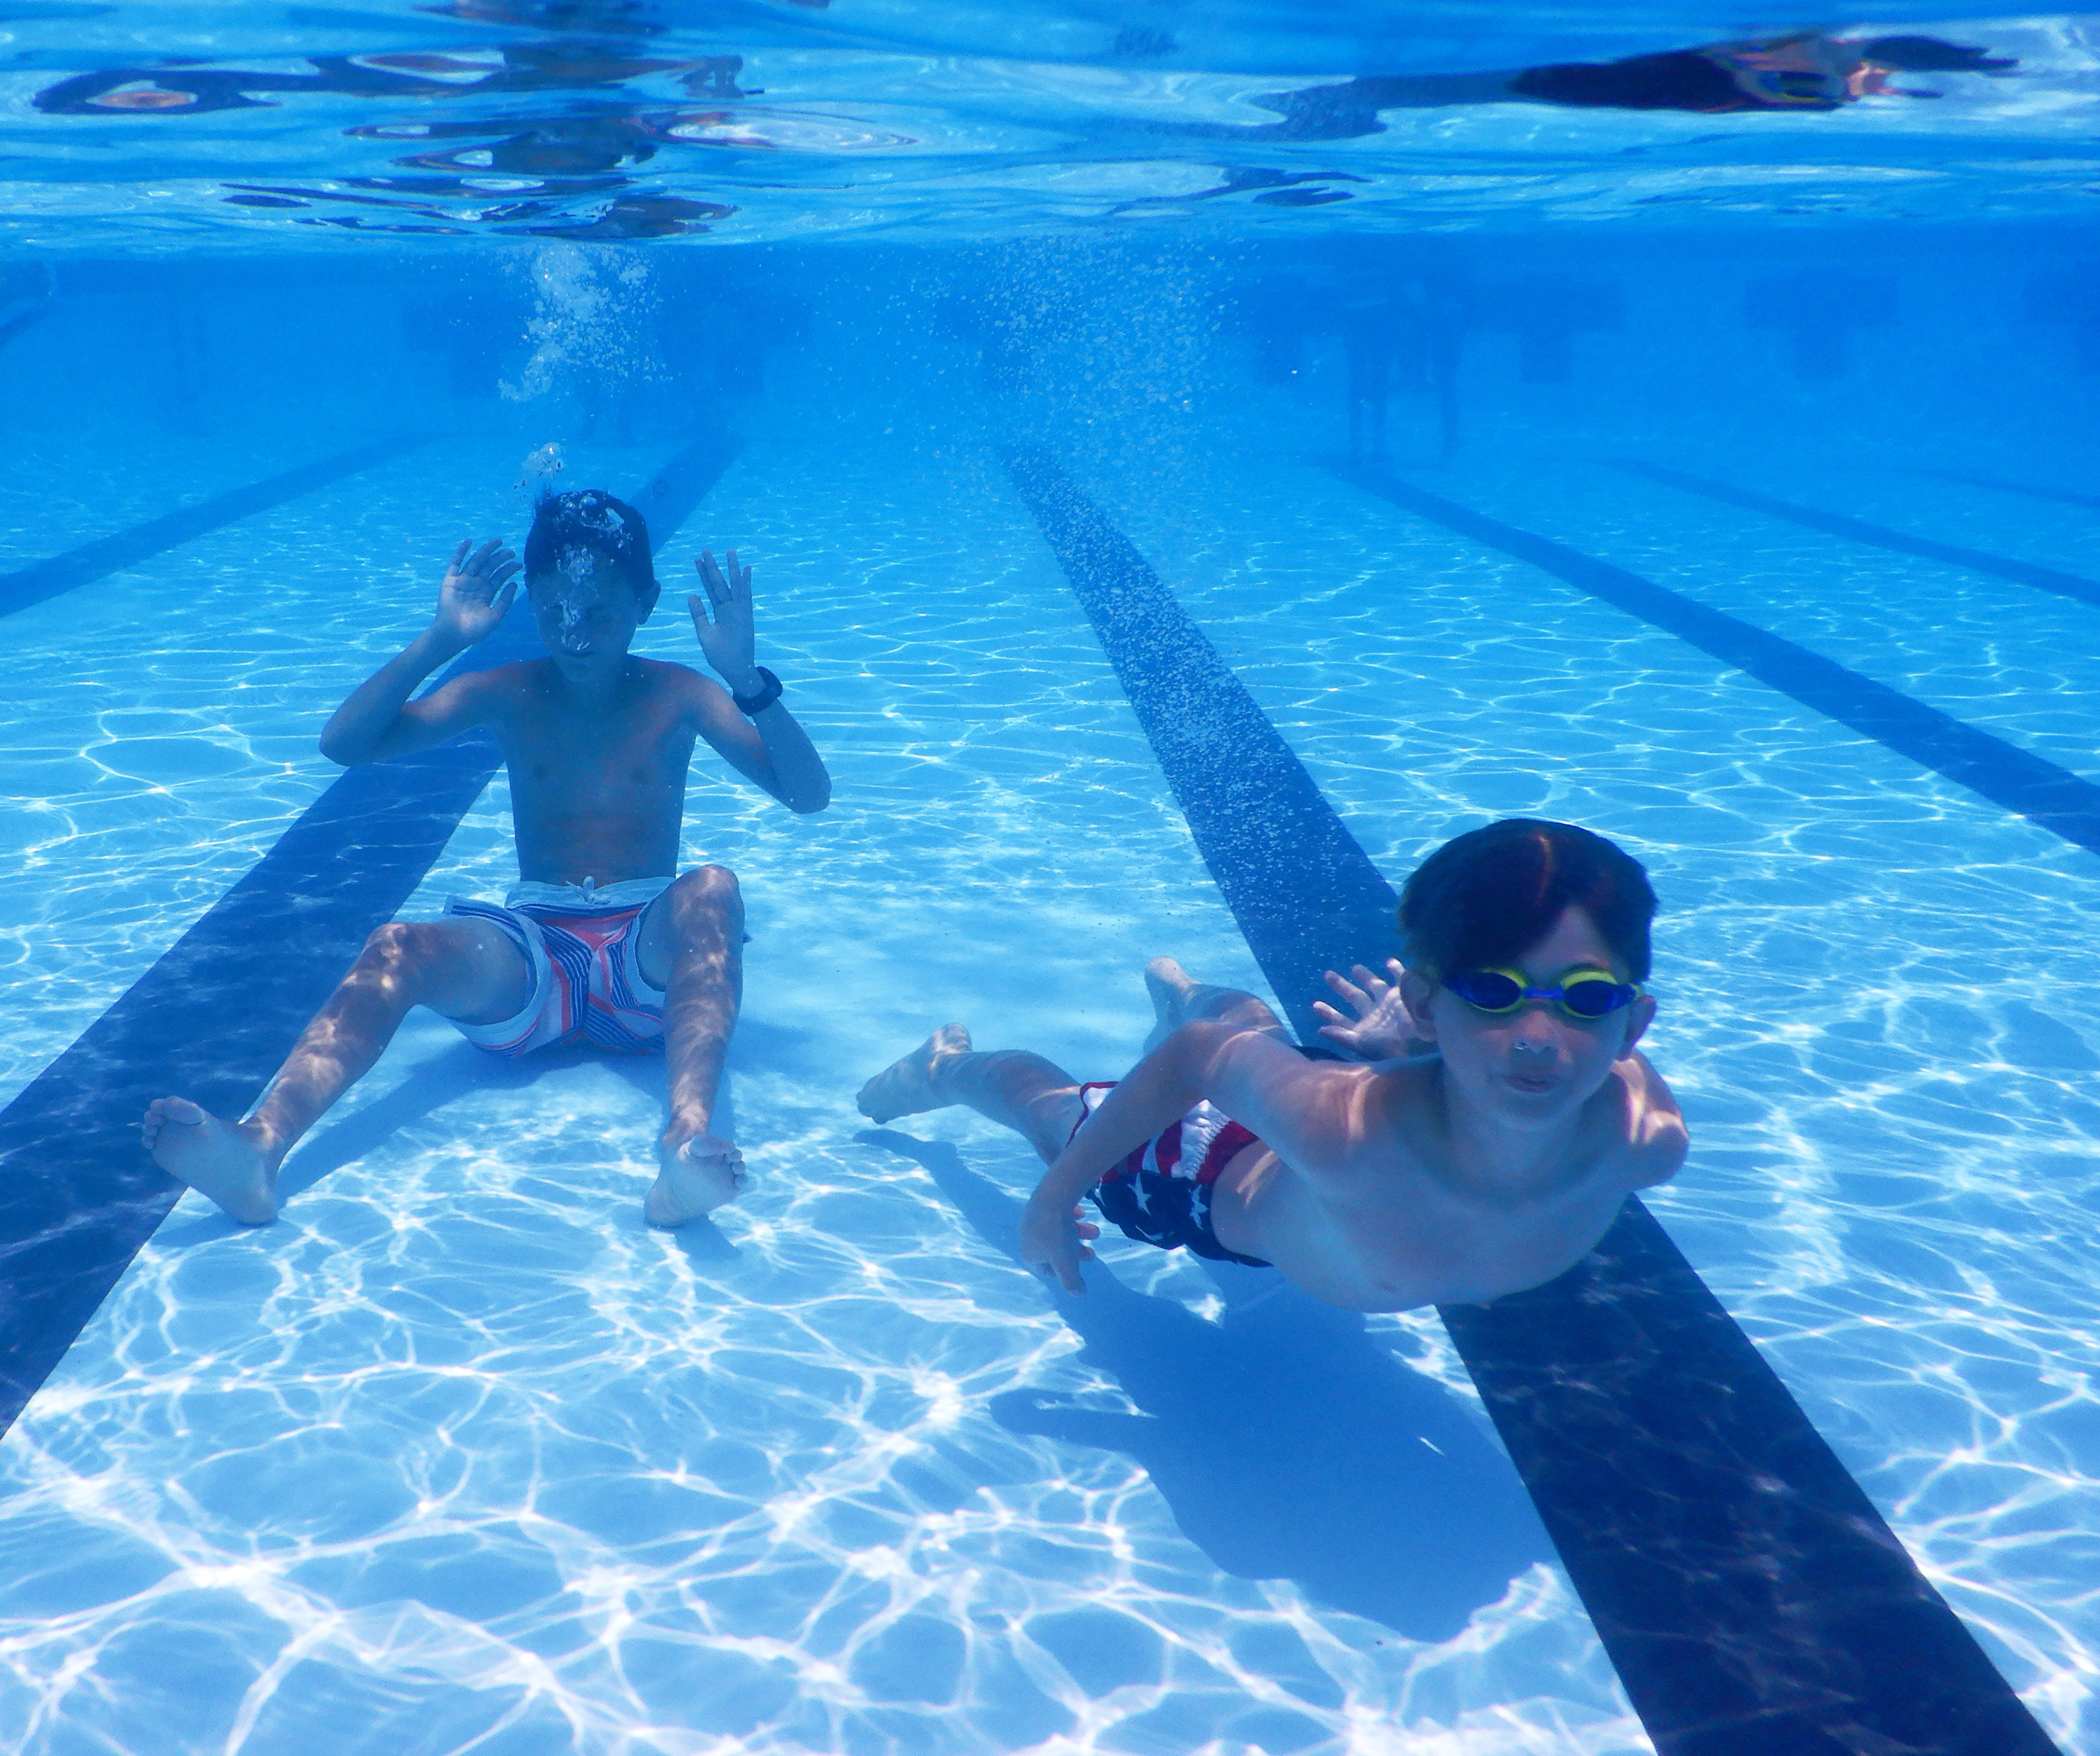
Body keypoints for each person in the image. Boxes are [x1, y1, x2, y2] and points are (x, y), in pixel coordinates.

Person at [142, 487, 830, 1227]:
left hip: (644, 962)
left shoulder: (682, 693)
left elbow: (807, 794)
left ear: (646, 601)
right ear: (532, 599)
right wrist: (441, 641)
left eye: (600, 612)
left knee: (713, 888)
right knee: (395, 944)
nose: (578, 635)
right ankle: (258, 1147)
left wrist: (748, 680)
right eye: (559, 612)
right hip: (530, 960)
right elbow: (345, 744)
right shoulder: (506, 691)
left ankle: (683, 1145)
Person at [857, 819, 1686, 1312]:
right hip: (1196, 1170)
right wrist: (1051, 1199)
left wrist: (1413, 1050)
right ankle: (943, 1069)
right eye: (1495, 992)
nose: (1539, 1036)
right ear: (1431, 1004)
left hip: (1357, 1084)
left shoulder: (1643, 1137)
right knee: (1046, 1105)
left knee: (1253, 1029)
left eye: (1582, 999)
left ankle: (1183, 988)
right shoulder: (1343, 1134)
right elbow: (1197, 1062)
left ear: (1632, 1022)